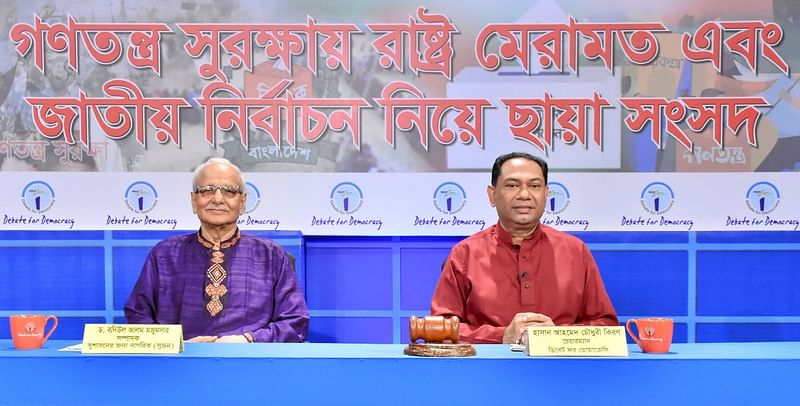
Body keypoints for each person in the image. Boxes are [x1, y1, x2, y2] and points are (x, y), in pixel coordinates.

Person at [430, 152, 618, 344]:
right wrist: (501, 336)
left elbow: (606, 326)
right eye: (512, 185)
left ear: (546, 194)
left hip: (562, 371)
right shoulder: (464, 254)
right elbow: (439, 328)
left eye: (534, 186)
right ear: (492, 195)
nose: (524, 195)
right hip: (486, 371)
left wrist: (557, 336)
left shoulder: (576, 251)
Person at [124, 157, 309, 342]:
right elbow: (138, 315)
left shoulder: (271, 256)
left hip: (251, 364)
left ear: (243, 202)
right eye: (207, 190)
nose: (218, 199)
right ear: (194, 201)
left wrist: (248, 340)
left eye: (229, 191)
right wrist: (176, 344)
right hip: (179, 365)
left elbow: (294, 322)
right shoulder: (164, 254)